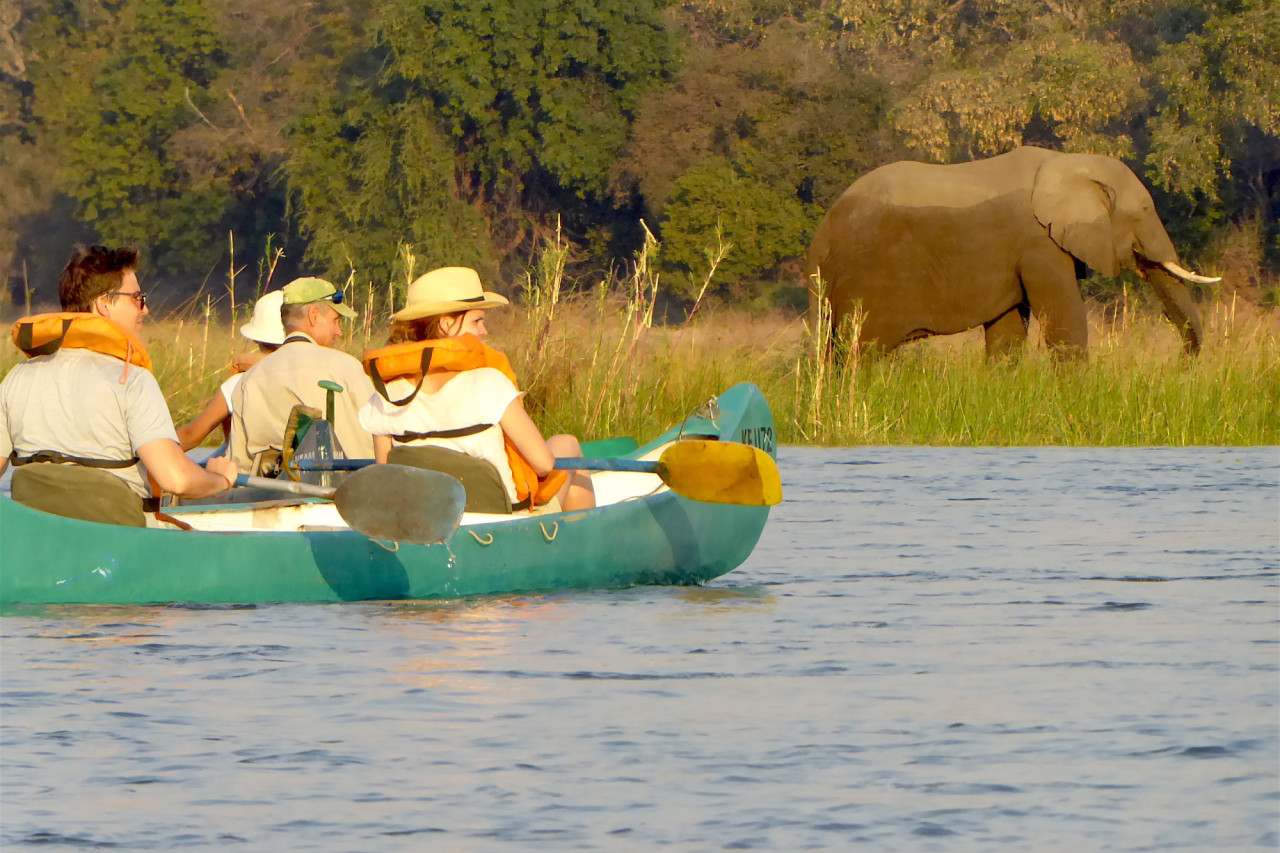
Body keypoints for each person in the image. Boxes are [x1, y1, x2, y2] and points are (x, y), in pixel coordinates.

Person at [0, 245, 239, 527]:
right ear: (104, 304)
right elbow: (177, 479)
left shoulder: (17, 376)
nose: (145, 309)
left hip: (40, 539)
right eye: (138, 298)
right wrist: (221, 479)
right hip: (120, 542)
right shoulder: (132, 380)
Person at [358, 266, 595, 513]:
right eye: (477, 321)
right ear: (447, 324)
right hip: (504, 522)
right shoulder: (489, 383)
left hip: (429, 521)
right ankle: (579, 543)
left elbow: (385, 475)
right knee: (567, 443)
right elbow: (544, 465)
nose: (484, 331)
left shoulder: (386, 395)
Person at [228, 276, 375, 474]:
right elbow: (376, 438)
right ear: (313, 315)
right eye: (335, 321)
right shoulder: (347, 367)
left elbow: (239, 465)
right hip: (346, 491)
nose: (339, 331)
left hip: (273, 496)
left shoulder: (248, 380)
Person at [177, 290, 285, 451]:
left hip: (249, 470)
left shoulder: (240, 382)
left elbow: (192, 435)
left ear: (256, 338)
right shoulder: (313, 377)